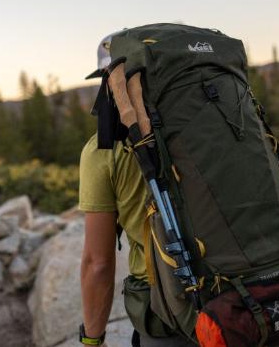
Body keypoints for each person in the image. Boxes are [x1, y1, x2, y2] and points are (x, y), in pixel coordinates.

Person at [78, 36, 197, 347]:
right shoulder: (204, 131)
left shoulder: (105, 149)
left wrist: (92, 340)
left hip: (169, 308)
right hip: (244, 298)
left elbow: (98, 263)